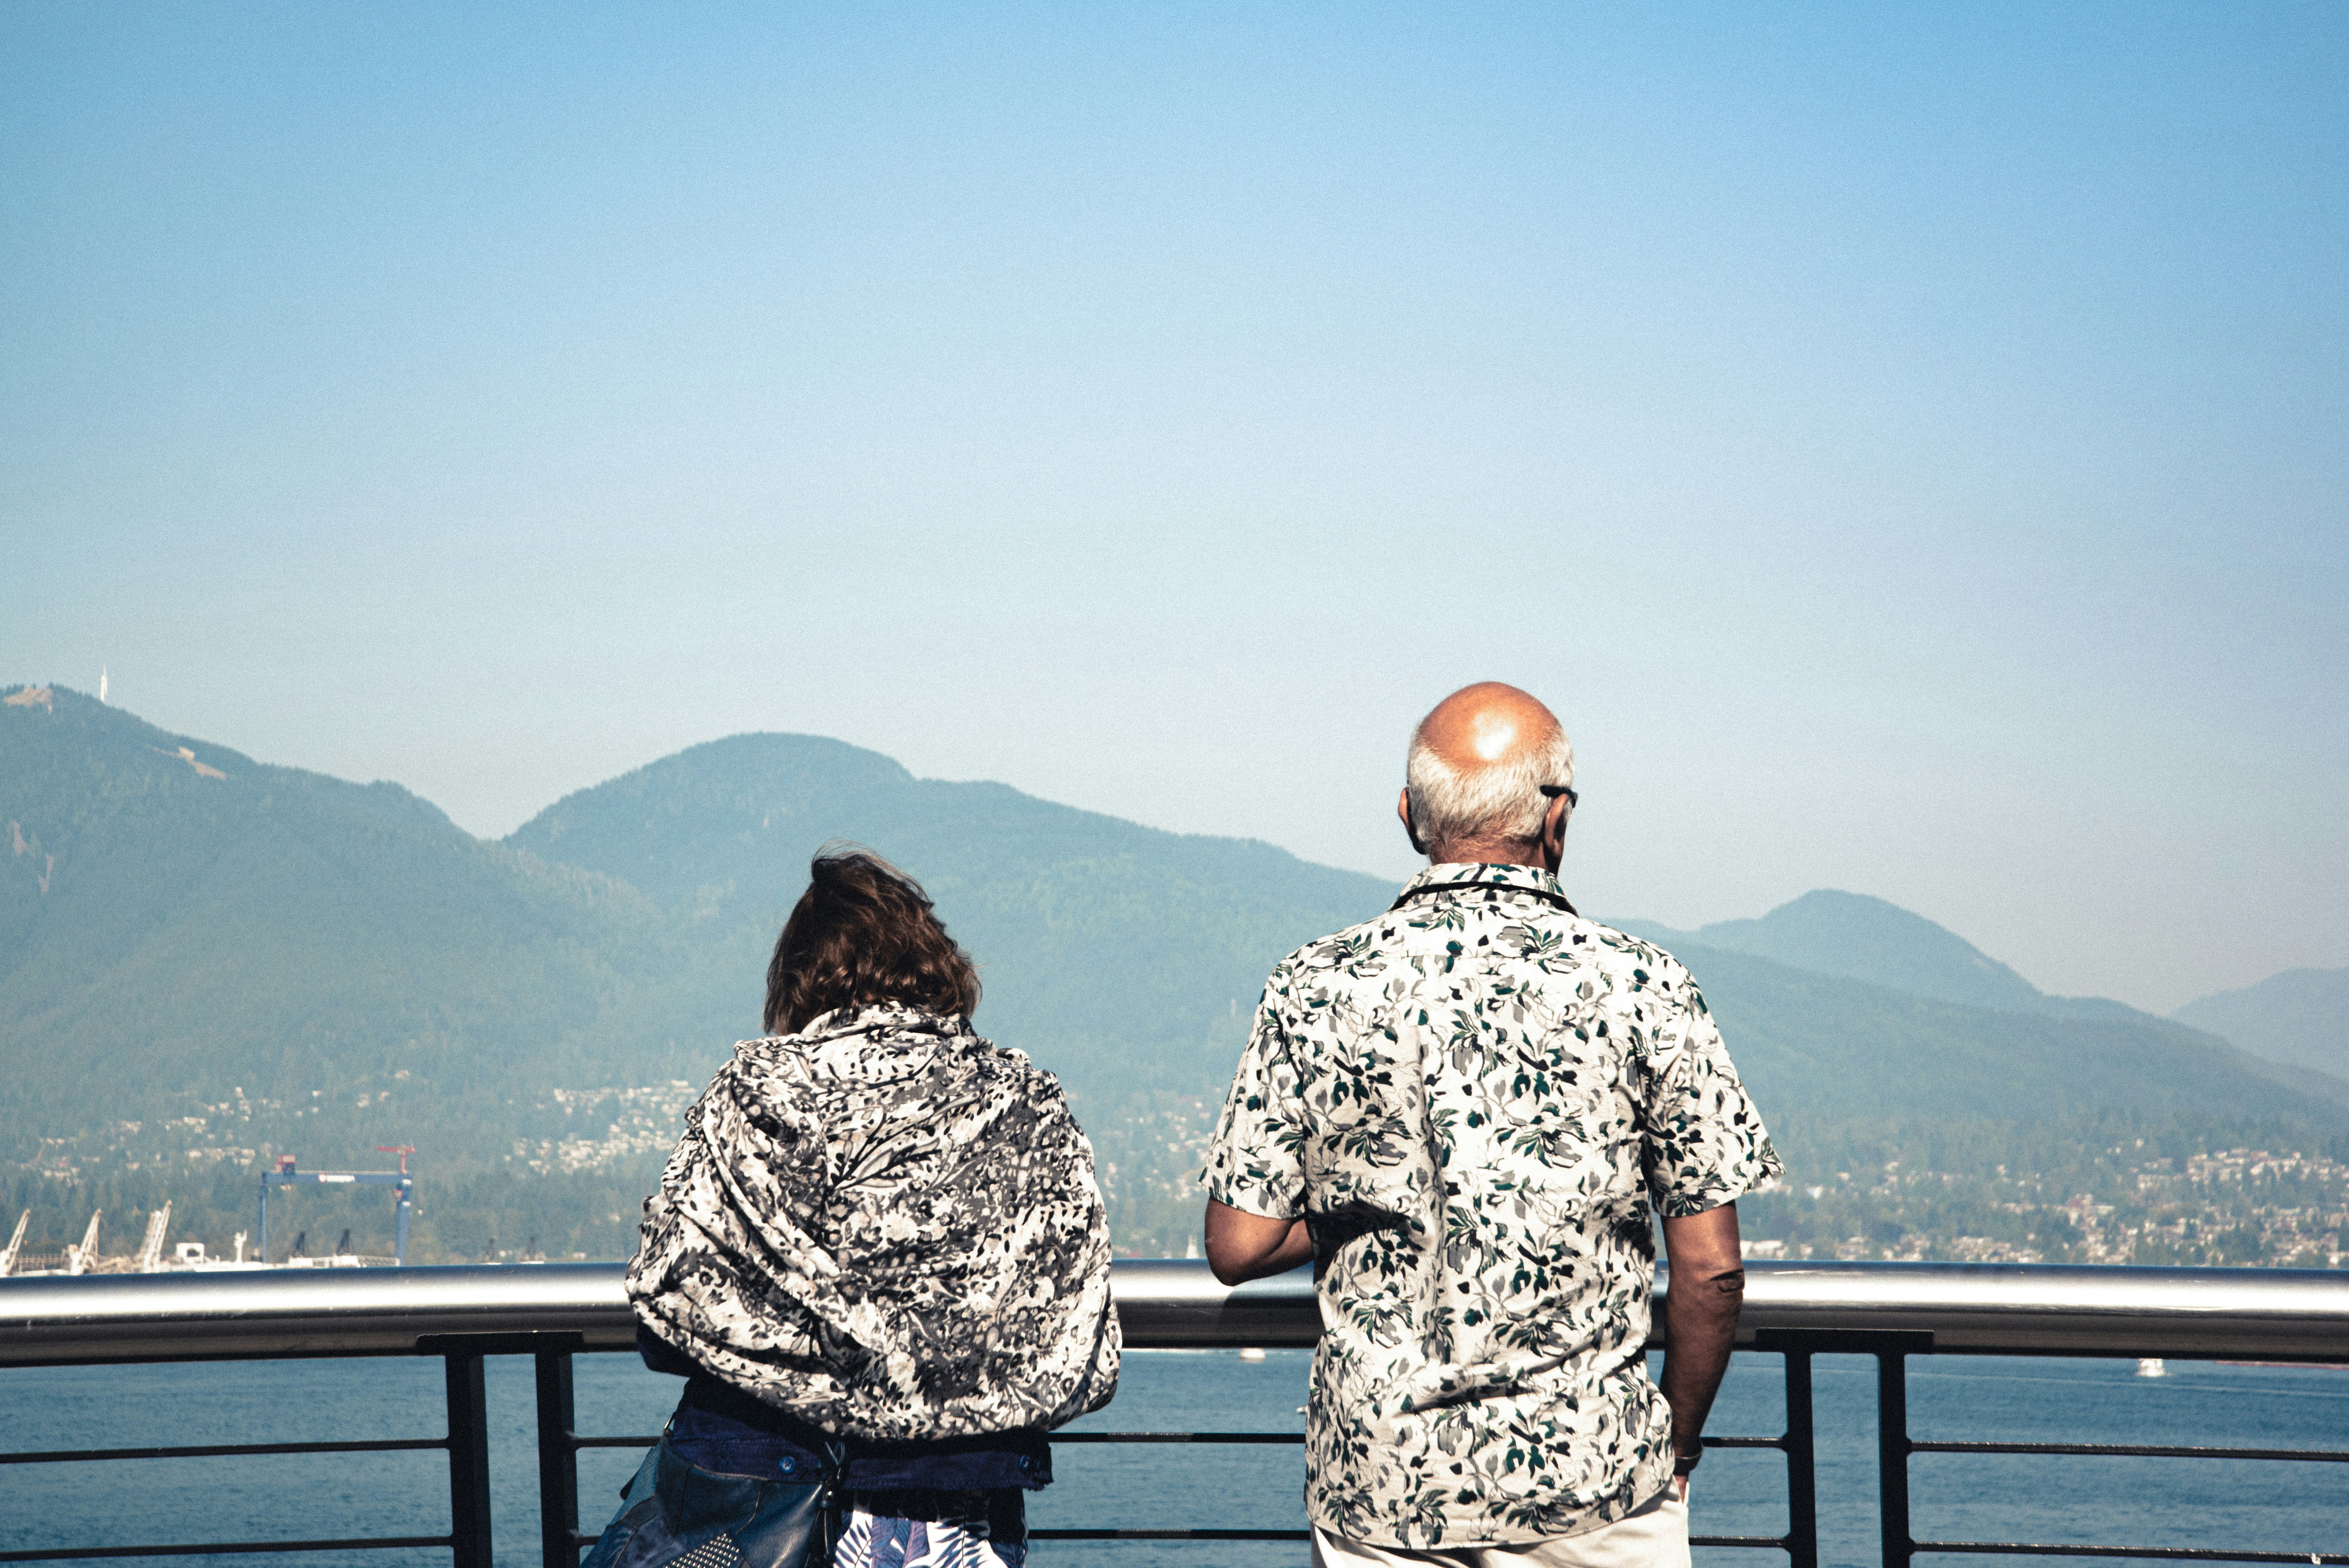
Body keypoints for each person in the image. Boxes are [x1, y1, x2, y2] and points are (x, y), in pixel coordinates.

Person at [1201, 682, 1780, 1568]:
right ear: (1556, 821)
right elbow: (1710, 1270)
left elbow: (1238, 1246)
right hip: (1594, 1485)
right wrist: (1677, 1445)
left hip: (1383, 1488)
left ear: (1408, 816)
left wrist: (1381, 1202)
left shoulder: (1313, 984)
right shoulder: (1645, 985)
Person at [595, 846, 1120, 1568]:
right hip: (955, 1506)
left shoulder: (758, 1092)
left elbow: (670, 1308)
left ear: (799, 975)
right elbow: (1076, 1330)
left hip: (754, 1490)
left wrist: (809, 1357)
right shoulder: (1026, 1105)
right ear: (939, 965)